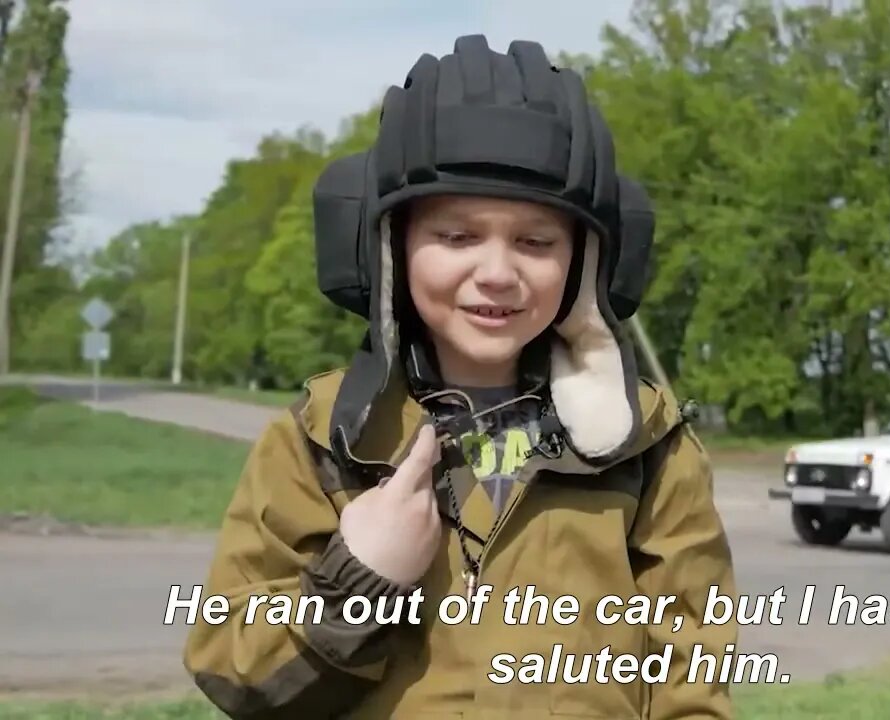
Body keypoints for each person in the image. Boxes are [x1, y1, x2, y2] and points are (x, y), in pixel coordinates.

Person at [182, 35, 738, 719]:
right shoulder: (325, 440)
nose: (498, 272)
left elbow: (691, 672)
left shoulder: (646, 445)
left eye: (536, 242)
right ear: (392, 246)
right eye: (456, 236)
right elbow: (238, 678)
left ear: (586, 262)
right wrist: (360, 579)